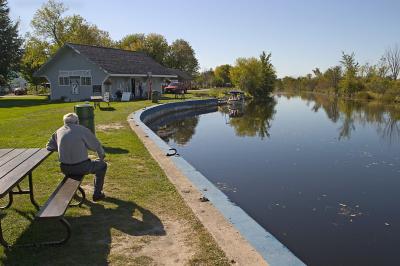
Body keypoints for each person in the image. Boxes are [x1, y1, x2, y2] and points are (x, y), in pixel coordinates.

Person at [46, 113, 107, 201]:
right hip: (81, 167)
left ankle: (75, 193)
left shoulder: (58, 131)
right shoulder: (82, 130)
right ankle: (97, 194)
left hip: (65, 168)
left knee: (77, 169)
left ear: (64, 122)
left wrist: (62, 149)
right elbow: (96, 146)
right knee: (102, 166)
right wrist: (101, 157)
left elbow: (49, 146)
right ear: (77, 122)